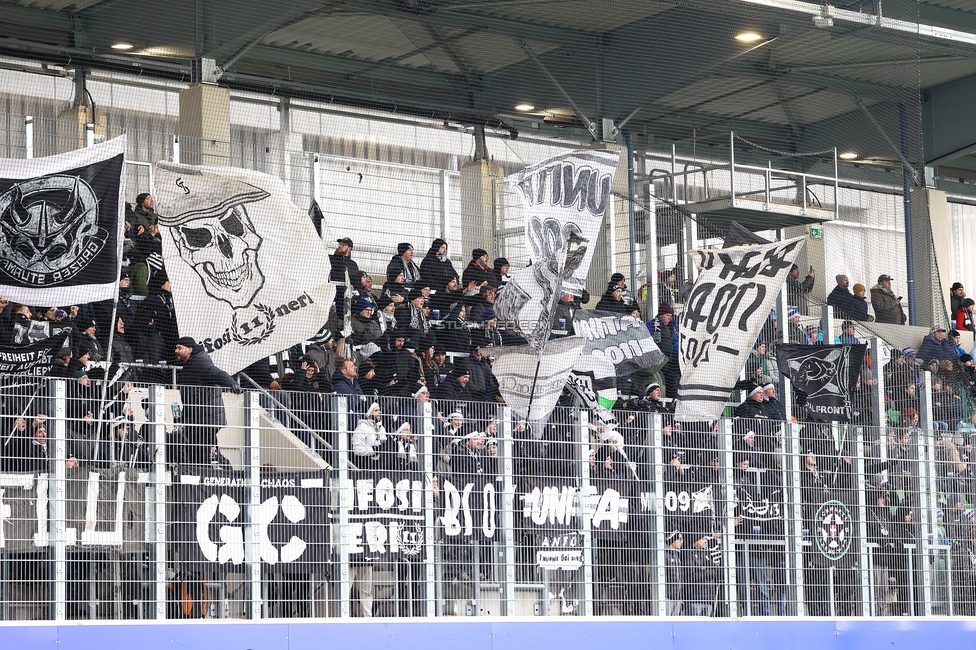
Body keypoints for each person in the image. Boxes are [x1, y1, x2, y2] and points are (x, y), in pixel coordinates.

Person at [173, 336, 240, 469]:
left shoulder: (199, 363)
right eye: (176, 348)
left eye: (179, 348)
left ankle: (203, 481)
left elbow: (217, 374)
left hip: (205, 420)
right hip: (199, 420)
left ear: (190, 350)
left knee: (202, 455)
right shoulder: (190, 364)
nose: (176, 351)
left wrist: (231, 383)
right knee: (200, 453)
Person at [126, 193, 159, 296]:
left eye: (152, 199)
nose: (152, 201)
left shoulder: (155, 216)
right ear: (142, 202)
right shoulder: (135, 215)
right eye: (148, 198)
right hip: (144, 248)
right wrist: (150, 233)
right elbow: (137, 234)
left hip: (157, 247)